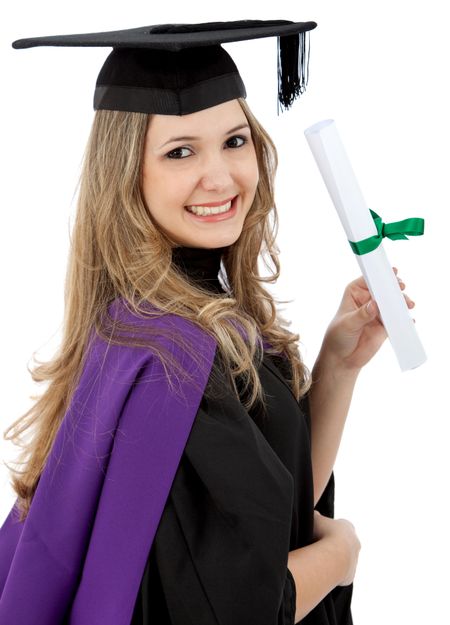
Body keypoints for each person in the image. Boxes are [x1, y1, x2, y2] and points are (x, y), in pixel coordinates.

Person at [0, 20, 416, 625]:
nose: (220, 177)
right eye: (180, 151)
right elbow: (248, 605)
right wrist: (344, 552)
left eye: (235, 140)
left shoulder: (155, 322)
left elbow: (268, 512)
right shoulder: (175, 360)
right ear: (126, 177)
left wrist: (339, 362)